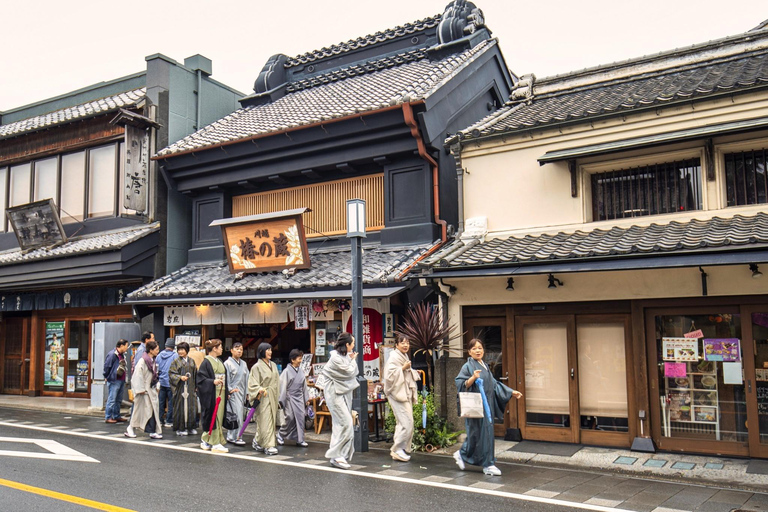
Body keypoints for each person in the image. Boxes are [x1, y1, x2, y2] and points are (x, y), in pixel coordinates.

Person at [454, 338, 522, 476]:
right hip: (476, 405)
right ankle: (481, 461)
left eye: (480, 348)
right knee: (476, 434)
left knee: (485, 434)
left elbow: (494, 384)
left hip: (486, 405)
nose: (477, 350)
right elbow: (461, 384)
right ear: (469, 352)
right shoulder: (467, 366)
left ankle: (483, 462)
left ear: (483, 350)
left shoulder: (484, 365)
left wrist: (511, 392)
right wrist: (473, 377)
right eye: (474, 349)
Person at [321, 333, 359, 470]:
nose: (354, 345)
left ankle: (337, 455)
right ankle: (337, 455)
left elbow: (348, 372)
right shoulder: (336, 358)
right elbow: (349, 372)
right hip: (334, 393)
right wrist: (353, 360)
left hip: (341, 392)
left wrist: (351, 360)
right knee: (346, 422)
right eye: (352, 343)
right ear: (347, 345)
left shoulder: (342, 356)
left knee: (340, 424)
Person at [382, 334, 419, 461]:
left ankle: (399, 449)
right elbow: (389, 376)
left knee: (403, 422)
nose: (405, 345)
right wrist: (403, 368)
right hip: (397, 394)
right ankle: (397, 449)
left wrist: (412, 371)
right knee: (406, 422)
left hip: (403, 392)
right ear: (396, 345)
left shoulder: (403, 356)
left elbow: (404, 372)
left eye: (407, 343)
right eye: (402, 343)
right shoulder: (394, 357)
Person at [125, 340, 163, 439]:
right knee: (139, 411)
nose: (158, 351)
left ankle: (152, 431)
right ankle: (131, 427)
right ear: (150, 350)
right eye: (156, 349)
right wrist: (140, 389)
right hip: (144, 391)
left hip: (150, 390)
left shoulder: (151, 360)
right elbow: (137, 375)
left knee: (152, 411)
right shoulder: (143, 361)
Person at [197, 339, 229, 453]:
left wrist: (228, 392)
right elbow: (200, 380)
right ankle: (215, 442)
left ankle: (207, 439)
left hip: (221, 391)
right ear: (214, 348)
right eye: (220, 347)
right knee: (213, 416)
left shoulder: (219, 360)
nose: (221, 349)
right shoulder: (206, 362)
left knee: (218, 416)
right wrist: (212, 381)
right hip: (212, 393)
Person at [247, 342, 280, 455]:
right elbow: (252, 383)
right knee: (265, 420)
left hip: (273, 395)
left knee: (271, 420)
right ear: (261, 351)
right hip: (263, 396)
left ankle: (257, 441)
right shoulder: (256, 367)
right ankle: (268, 445)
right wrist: (259, 389)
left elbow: (276, 381)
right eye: (268, 350)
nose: (270, 352)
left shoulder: (274, 365)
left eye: (271, 350)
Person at [278, 349, 310, 447]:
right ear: (292, 360)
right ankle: (281, 434)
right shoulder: (286, 371)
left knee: (300, 418)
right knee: (290, 418)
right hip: (290, 397)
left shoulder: (301, 371)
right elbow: (282, 386)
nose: (300, 361)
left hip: (299, 397)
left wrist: (306, 398)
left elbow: (304, 386)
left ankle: (300, 439)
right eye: (299, 358)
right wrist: (281, 400)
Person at [169, 342, 198, 436]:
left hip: (190, 387)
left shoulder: (192, 361)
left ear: (187, 350)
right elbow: (171, 374)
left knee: (191, 407)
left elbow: (195, 374)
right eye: (179, 350)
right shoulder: (175, 362)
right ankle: (180, 428)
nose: (180, 351)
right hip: (180, 388)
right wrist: (180, 377)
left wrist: (196, 386)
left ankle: (191, 427)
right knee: (180, 408)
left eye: (182, 349)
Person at [224, 342, 248, 445]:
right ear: (232, 350)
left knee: (239, 414)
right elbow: (226, 379)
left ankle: (232, 436)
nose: (239, 351)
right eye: (237, 349)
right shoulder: (227, 363)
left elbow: (247, 378)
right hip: (233, 392)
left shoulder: (244, 364)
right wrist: (228, 391)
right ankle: (237, 437)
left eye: (241, 349)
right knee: (235, 415)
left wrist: (247, 393)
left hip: (242, 392)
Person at [103, 339, 129, 424]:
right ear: (121, 346)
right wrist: (107, 376)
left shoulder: (122, 355)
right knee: (112, 399)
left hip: (121, 379)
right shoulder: (112, 354)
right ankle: (108, 416)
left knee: (118, 400)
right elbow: (107, 367)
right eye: (126, 346)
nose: (127, 348)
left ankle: (116, 415)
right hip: (114, 380)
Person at [156, 338, 178, 428]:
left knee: (160, 402)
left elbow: (156, 369)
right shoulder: (175, 356)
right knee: (171, 402)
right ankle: (169, 421)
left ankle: (160, 420)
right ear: (173, 347)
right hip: (171, 382)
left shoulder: (159, 355)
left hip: (161, 381)